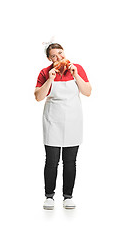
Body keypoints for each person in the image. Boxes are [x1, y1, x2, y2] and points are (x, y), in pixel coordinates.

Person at [34, 42, 92, 210]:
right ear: (49, 58)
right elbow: (38, 96)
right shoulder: (45, 73)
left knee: (70, 161)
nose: (59, 57)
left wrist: (76, 76)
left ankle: (68, 196)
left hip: (73, 120)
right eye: (54, 55)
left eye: (60, 53)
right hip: (52, 120)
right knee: (51, 161)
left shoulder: (77, 68)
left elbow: (88, 92)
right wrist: (50, 79)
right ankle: (49, 196)